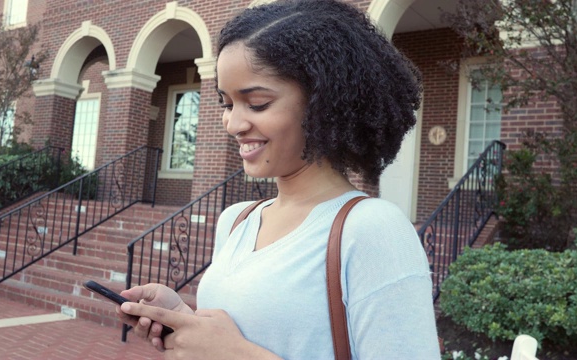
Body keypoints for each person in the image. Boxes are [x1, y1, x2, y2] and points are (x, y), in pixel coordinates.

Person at [116, 0, 441, 358]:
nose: (234, 124)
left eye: (256, 103)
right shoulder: (237, 221)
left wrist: (235, 353)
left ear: (324, 103)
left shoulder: (371, 230)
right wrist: (185, 319)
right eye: (227, 104)